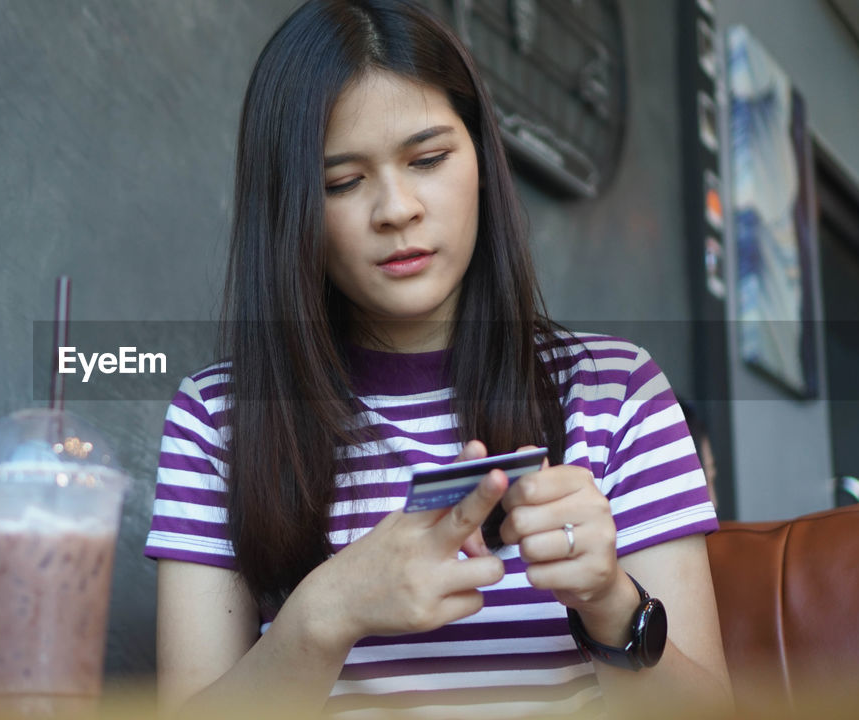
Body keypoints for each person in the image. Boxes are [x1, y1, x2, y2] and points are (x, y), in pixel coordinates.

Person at [144, 1, 732, 717]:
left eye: (427, 159)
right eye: (340, 181)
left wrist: (610, 601)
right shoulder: (218, 418)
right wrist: (325, 613)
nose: (396, 209)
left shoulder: (617, 394)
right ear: (289, 204)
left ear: (482, 161)